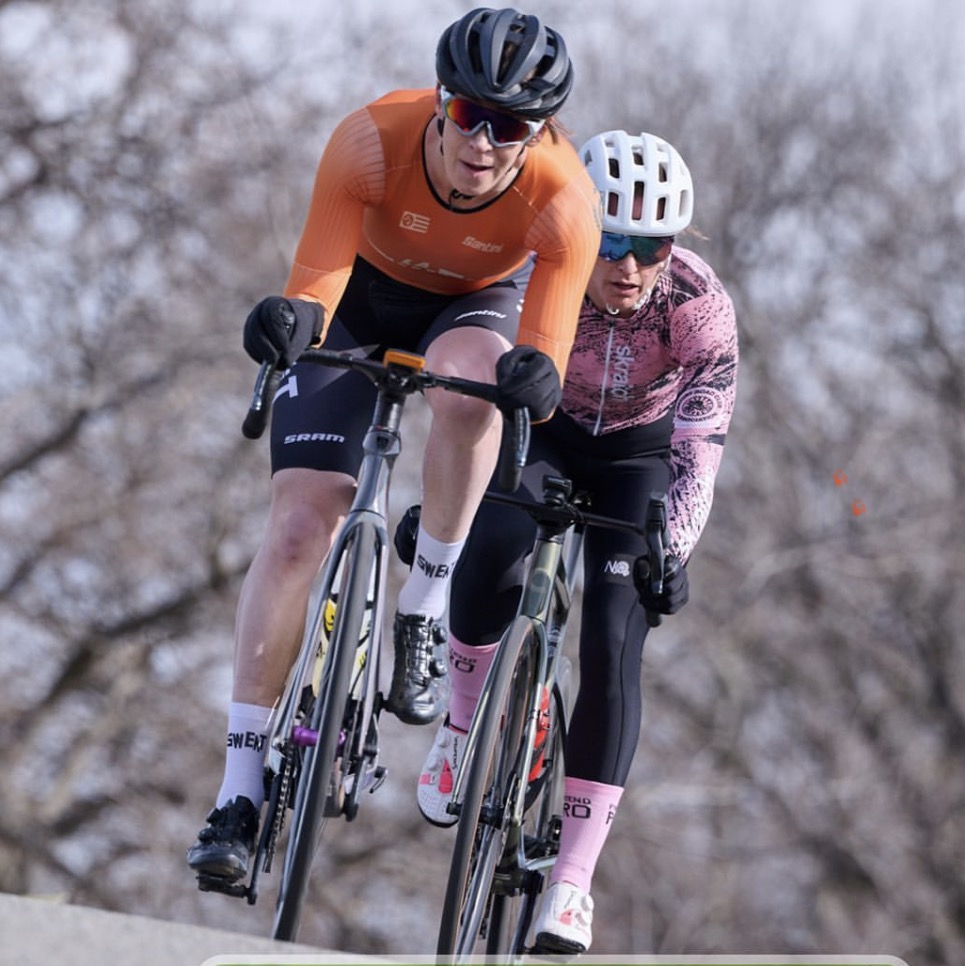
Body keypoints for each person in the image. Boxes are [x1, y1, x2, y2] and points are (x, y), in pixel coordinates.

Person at [186, 7, 601, 885]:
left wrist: (536, 380)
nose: (483, 142)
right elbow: (315, 291)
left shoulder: (564, 200)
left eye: (510, 127)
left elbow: (542, 357)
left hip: (473, 308)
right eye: (469, 115)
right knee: (299, 527)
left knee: (474, 385)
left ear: (539, 134)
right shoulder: (371, 142)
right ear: (442, 102)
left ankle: (424, 601)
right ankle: (238, 792)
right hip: (361, 298)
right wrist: (287, 322)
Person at [413, 129, 738, 954]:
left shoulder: (698, 305)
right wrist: (443, 507)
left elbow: (700, 447)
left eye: (649, 247)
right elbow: (464, 397)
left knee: (612, 636)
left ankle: (570, 882)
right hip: (544, 433)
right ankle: (462, 728)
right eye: (610, 241)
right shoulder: (531, 264)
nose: (627, 266)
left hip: (638, 458)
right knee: (490, 553)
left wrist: (673, 548)